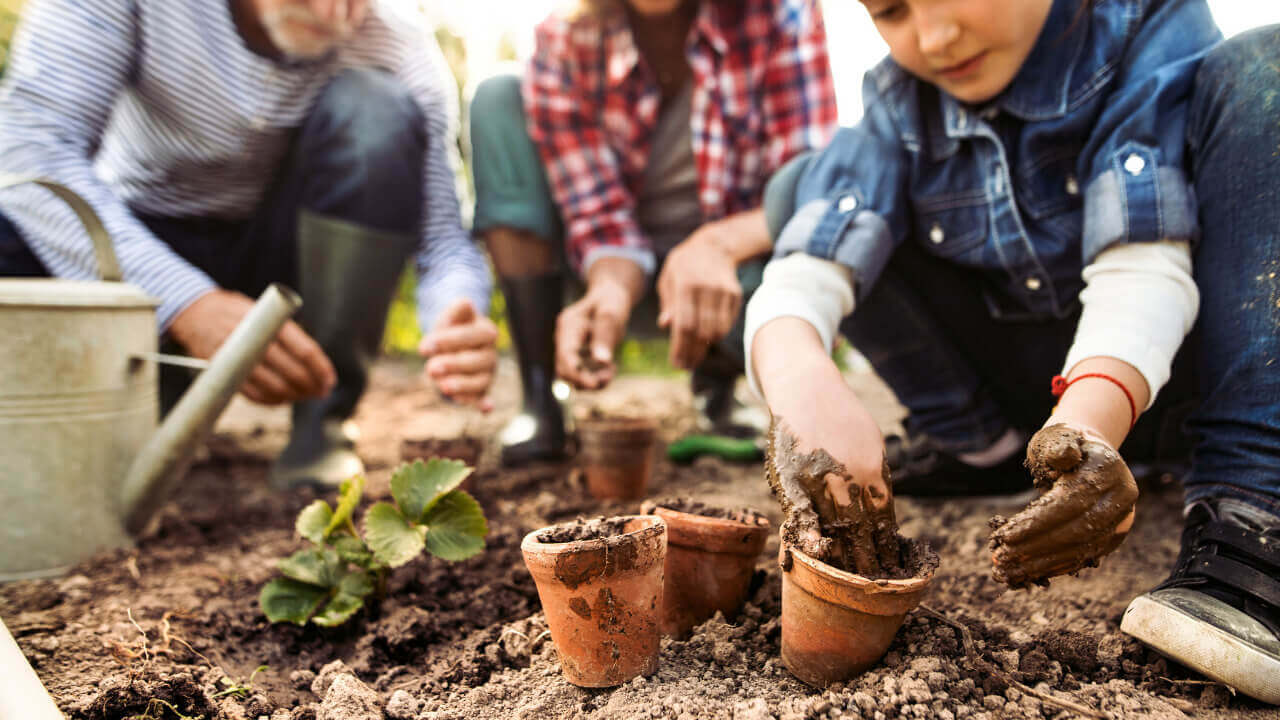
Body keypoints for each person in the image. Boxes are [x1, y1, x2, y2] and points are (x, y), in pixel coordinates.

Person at [748, 0, 1279, 704]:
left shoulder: (1150, 29)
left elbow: (1142, 269)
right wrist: (804, 381)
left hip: (1172, 376)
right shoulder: (897, 101)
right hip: (1032, 398)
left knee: (1266, 67)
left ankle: (1254, 508)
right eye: (890, 11)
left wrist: (1089, 423)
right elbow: (802, 274)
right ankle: (982, 450)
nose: (933, 38)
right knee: (802, 189)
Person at [0, 0, 497, 488]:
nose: (333, 12)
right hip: (142, 243)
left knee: (377, 109)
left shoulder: (397, 40)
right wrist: (184, 304)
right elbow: (30, 147)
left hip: (288, 258)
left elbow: (443, 239)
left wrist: (457, 312)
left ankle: (323, 422)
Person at [468, 0, 838, 466]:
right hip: (620, 279)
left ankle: (718, 385)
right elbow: (598, 214)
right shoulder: (564, 40)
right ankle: (541, 393)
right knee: (499, 96)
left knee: (800, 261)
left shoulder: (784, 13)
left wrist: (715, 247)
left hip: (734, 277)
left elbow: (808, 188)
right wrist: (610, 287)